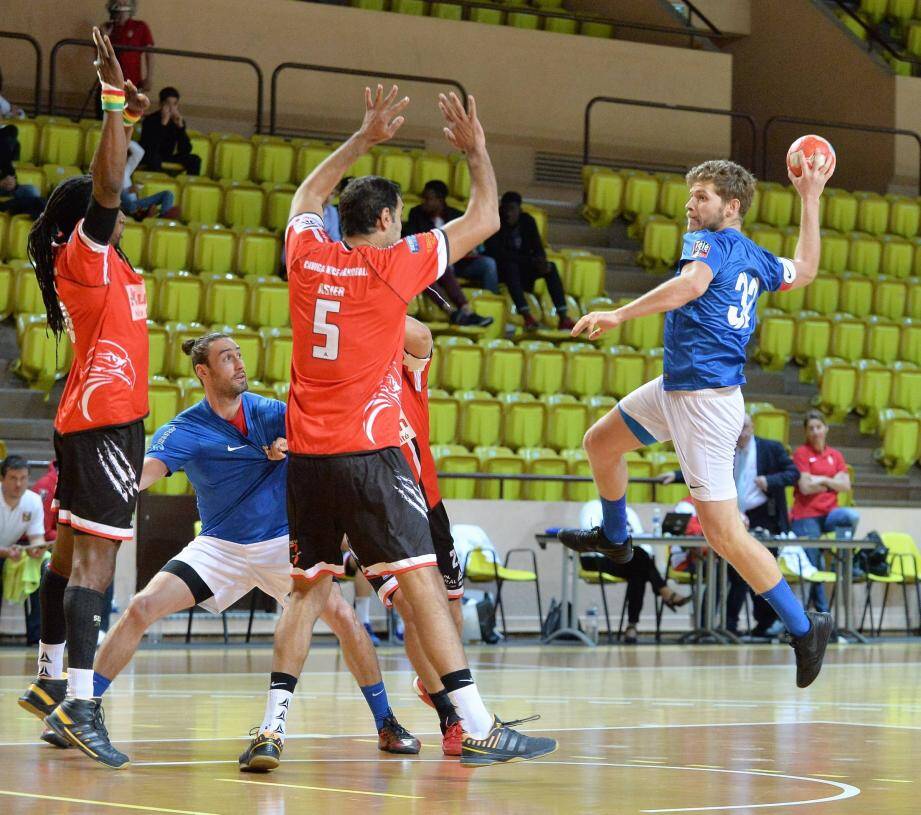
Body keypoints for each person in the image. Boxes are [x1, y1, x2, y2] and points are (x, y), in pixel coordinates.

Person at [254, 83, 556, 768]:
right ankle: (475, 721)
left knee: (308, 590)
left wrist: (359, 140)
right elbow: (483, 216)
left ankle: (270, 725)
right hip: (369, 452)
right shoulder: (393, 268)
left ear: (343, 220)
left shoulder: (307, 256)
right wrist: (477, 150)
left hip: (307, 457)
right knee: (421, 583)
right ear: (389, 219)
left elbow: (306, 196)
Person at [31, 332, 414, 769]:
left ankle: (386, 722)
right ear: (203, 372)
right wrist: (101, 484)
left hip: (278, 543)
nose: (238, 364)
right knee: (140, 608)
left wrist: (294, 449)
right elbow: (142, 476)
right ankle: (83, 709)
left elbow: (324, 445)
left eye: (239, 356)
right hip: (219, 547)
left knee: (345, 619)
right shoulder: (186, 429)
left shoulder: (272, 413)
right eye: (227, 358)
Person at [558, 154, 836, 689]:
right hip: (678, 388)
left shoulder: (707, 244)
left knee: (725, 534)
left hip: (704, 404)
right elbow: (804, 270)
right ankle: (617, 538)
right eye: (691, 196)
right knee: (601, 444)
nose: (691, 204)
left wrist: (617, 314)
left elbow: (690, 285)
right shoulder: (754, 255)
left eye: (702, 197)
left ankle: (805, 628)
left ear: (730, 207)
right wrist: (809, 200)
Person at [17, 29, 150, 768]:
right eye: (109, 211)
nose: (121, 213)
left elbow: (109, 191)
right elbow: (106, 187)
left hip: (93, 418)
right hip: (104, 420)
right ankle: (82, 704)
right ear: (80, 226)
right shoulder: (83, 254)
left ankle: (47, 680)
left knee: (69, 551)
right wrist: (109, 100)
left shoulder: (104, 264)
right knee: (98, 565)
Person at [352, 316, 469, 756]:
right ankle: (451, 716)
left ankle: (434, 681)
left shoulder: (404, 372)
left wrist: (372, 300)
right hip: (377, 517)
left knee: (449, 615)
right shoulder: (341, 381)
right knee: (417, 610)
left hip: (429, 505)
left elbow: (420, 336)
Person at [663, 413, 797, 636]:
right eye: (737, 427)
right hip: (730, 517)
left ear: (752, 426)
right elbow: (704, 470)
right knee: (733, 573)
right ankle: (720, 625)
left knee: (758, 572)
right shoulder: (726, 448)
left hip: (762, 519)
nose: (741, 432)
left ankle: (758, 624)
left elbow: (793, 473)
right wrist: (677, 475)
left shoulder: (771, 449)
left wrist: (770, 481)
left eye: (744, 427)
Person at [577, 499, 689, 643]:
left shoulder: (628, 511)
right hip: (597, 557)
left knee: (639, 568)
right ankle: (662, 593)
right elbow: (591, 532)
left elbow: (642, 541)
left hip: (626, 559)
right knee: (640, 560)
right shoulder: (593, 506)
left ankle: (633, 625)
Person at [791, 410, 859, 613]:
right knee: (814, 567)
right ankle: (823, 614)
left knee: (851, 516)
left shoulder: (835, 455)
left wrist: (821, 480)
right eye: (810, 428)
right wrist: (832, 483)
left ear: (826, 429)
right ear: (805, 432)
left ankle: (844, 561)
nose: (815, 431)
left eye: (818, 427)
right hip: (806, 515)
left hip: (830, 514)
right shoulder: (801, 453)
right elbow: (804, 487)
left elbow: (846, 485)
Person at [484, 191, 575, 331]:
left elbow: (538, 246)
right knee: (510, 266)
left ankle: (563, 317)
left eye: (512, 209)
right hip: (502, 272)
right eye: (505, 209)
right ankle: (527, 316)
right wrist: (530, 260)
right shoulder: (495, 223)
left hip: (524, 268)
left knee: (550, 267)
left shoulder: (527, 221)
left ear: (519, 210)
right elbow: (498, 254)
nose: (508, 213)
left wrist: (541, 260)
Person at [406, 179, 500, 292]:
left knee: (488, 264)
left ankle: (490, 302)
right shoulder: (416, 214)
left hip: (459, 263)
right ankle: (459, 303)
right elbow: (411, 240)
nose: (423, 202)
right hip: (432, 263)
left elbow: (468, 240)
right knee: (445, 263)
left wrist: (471, 248)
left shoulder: (457, 216)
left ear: (439, 200)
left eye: (428, 199)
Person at [0, 455, 48, 645]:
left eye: (23, 478)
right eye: (13, 478)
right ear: (2, 479)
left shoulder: (33, 501)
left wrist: (36, 549)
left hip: (11, 552)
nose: (19, 484)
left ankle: (36, 637)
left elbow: (37, 537)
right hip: (4, 553)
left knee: (43, 566)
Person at [139, 87, 201, 175]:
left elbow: (185, 150)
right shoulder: (150, 120)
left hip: (168, 156)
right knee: (154, 158)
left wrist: (180, 128)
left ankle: (187, 184)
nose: (171, 108)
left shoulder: (178, 121)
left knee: (195, 159)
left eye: (175, 104)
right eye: (168, 104)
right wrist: (163, 124)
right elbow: (151, 147)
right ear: (161, 104)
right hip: (150, 154)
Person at [104, 1, 154, 93]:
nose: (122, 5)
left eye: (125, 3)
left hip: (132, 81)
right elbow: (99, 56)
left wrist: (149, 78)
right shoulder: (107, 27)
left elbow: (149, 52)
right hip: (110, 82)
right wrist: (103, 38)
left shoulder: (140, 26)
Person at [0, 123, 45, 219]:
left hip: (5, 189)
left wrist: (12, 183)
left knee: (31, 190)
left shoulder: (3, 146)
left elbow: (9, 172)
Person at [121, 141, 174, 218]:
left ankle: (162, 218)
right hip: (124, 206)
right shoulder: (107, 173)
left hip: (137, 203)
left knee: (168, 194)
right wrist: (127, 191)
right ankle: (141, 214)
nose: (124, 158)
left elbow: (139, 152)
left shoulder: (126, 169)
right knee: (124, 196)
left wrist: (124, 140)